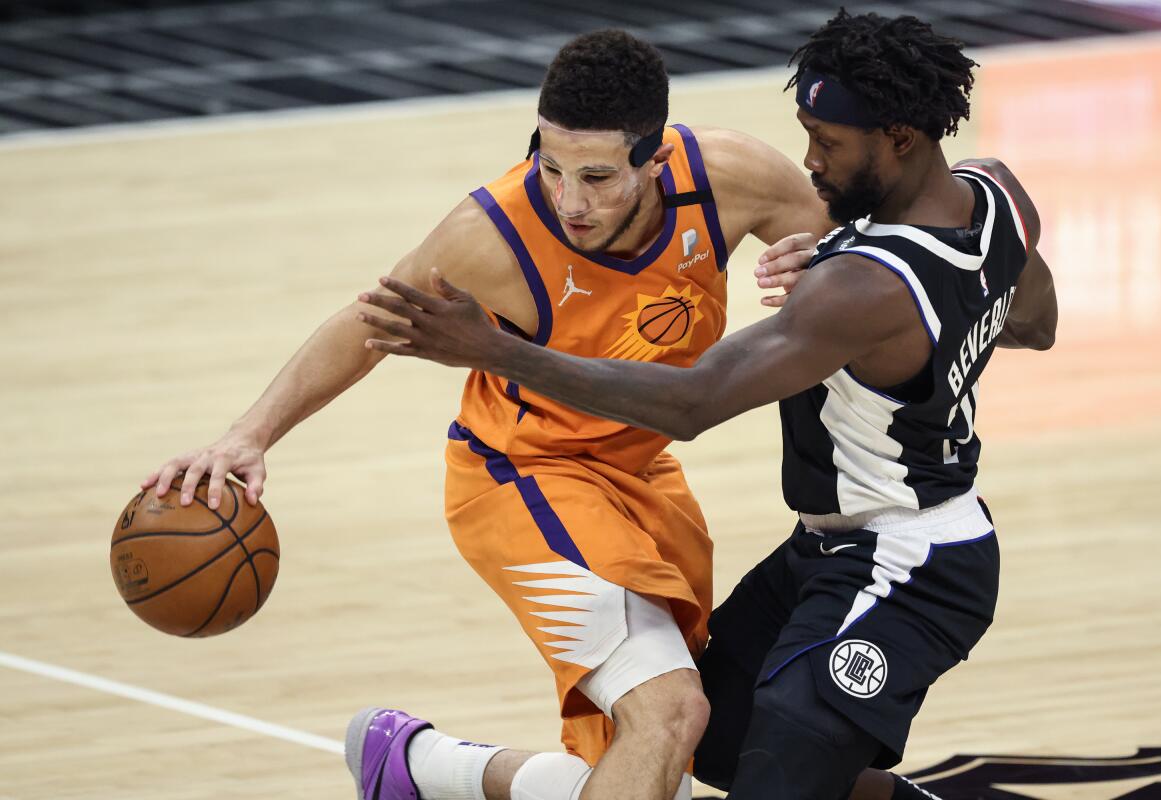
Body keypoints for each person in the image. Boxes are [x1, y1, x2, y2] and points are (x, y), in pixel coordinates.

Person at [358, 10, 1059, 800]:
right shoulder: (995, 194)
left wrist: (493, 351)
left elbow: (692, 404)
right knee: (710, 742)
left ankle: (432, 771)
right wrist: (889, 291)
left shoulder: (862, 285)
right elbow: (1037, 320)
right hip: (826, 549)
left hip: (910, 558)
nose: (808, 160)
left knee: (767, 770)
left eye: (827, 142)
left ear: (899, 137)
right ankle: (428, 768)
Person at [142, 28, 849, 800]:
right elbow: (368, 323)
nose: (569, 201)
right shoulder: (496, 235)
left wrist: (822, 261)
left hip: (641, 477)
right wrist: (248, 435)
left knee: (653, 769)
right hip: (523, 478)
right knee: (670, 712)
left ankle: (418, 766)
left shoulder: (729, 177)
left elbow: (865, 253)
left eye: (597, 176)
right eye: (550, 166)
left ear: (655, 159)